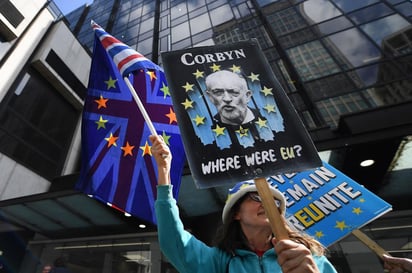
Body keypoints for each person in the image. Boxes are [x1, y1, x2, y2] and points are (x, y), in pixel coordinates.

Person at [150, 134, 337, 273]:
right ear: (236, 213)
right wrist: (164, 171)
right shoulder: (218, 263)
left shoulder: (309, 258)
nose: (267, 203)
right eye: (256, 197)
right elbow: (173, 241)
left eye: (274, 201)